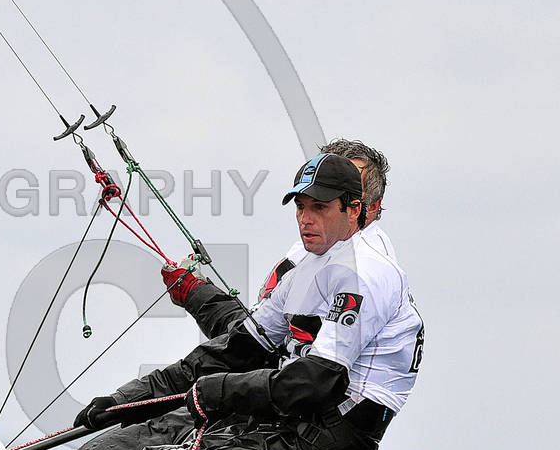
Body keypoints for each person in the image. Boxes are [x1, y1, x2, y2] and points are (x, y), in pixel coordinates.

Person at [30, 152, 422, 450]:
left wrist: (221, 390)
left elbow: (317, 382)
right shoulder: (307, 266)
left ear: (357, 208)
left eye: (320, 207)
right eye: (301, 207)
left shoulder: (367, 272)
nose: (306, 219)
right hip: (275, 417)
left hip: (322, 448)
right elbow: (238, 347)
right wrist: (128, 399)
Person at [163, 139, 393, 338]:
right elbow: (253, 334)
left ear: (371, 206)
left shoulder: (366, 267)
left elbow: (272, 351)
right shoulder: (310, 249)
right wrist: (195, 291)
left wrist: (195, 292)